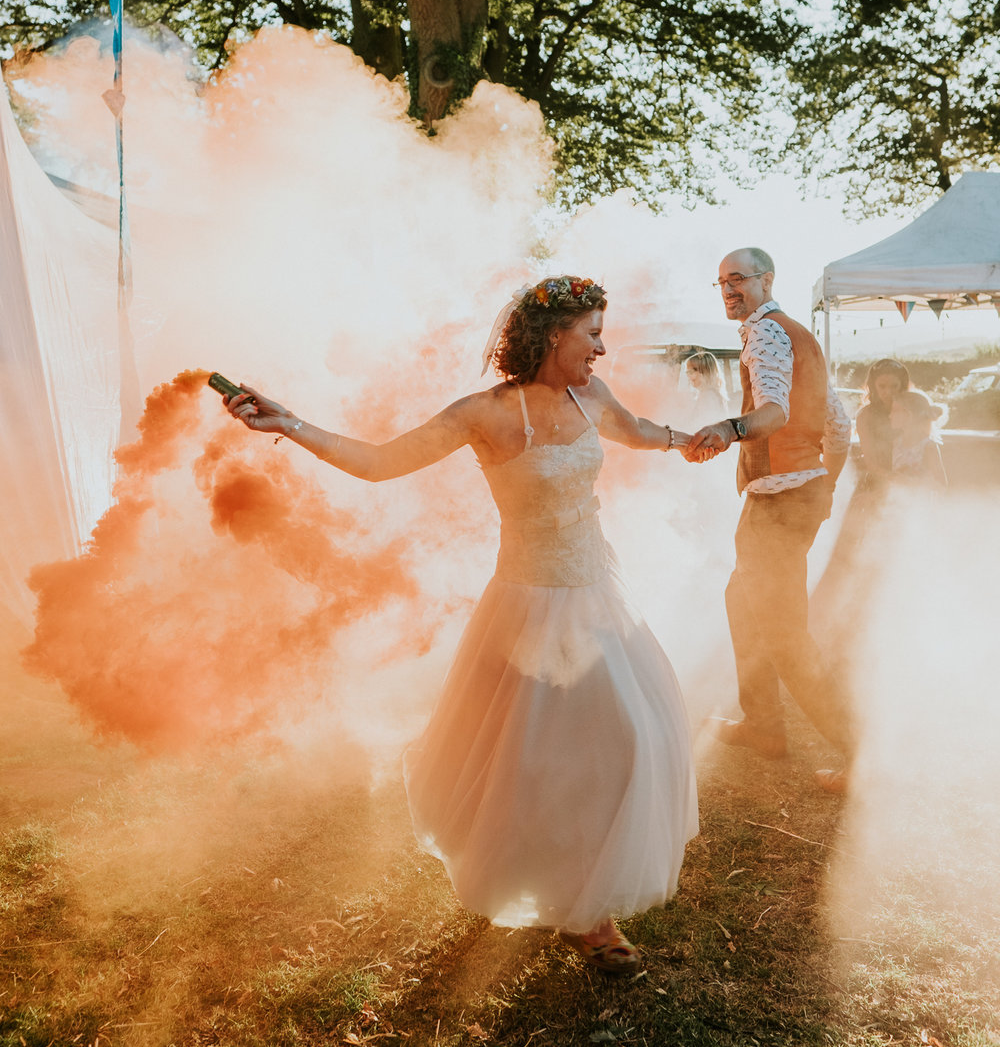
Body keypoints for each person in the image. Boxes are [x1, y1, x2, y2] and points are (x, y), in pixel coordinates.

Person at [224, 276, 698, 974]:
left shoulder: (590, 396)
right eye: (592, 332)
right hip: (527, 608)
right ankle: (579, 911)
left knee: (631, 738)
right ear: (554, 336)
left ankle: (590, 907)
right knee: (528, 762)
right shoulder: (485, 413)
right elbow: (381, 463)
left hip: (598, 596)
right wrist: (289, 423)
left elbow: (640, 433)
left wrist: (695, 438)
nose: (603, 346)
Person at [683, 248, 855, 794]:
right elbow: (839, 424)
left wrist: (729, 429)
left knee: (784, 632)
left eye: (738, 278)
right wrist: (826, 483)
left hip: (779, 503)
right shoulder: (798, 333)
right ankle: (763, 726)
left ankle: (858, 751)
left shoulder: (765, 333)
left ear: (767, 280)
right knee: (741, 602)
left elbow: (776, 411)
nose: (729, 289)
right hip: (791, 497)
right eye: (721, 282)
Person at [855, 358, 911, 485]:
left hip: (911, 480)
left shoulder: (911, 412)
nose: (888, 392)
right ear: (873, 386)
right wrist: (895, 479)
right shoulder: (864, 416)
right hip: (877, 481)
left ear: (902, 385)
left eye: (894, 386)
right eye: (882, 386)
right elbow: (871, 462)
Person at [890, 389, 947, 484]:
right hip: (898, 496)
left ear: (909, 415)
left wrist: (912, 481)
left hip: (920, 497)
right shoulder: (897, 443)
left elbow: (941, 483)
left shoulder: (928, 446)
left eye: (895, 411)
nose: (890, 415)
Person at [684, 350, 729, 421]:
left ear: (704, 372)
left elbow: (702, 424)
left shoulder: (708, 396)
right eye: (687, 373)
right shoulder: (708, 394)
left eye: (691, 372)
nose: (688, 376)